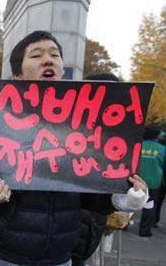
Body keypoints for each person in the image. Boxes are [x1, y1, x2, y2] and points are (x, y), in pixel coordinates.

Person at [0, 30, 149, 266]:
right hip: (6, 255)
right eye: (36, 55)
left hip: (62, 257)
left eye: (54, 55)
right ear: (18, 74)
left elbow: (88, 195)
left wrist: (124, 196)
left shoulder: (83, 131)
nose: (48, 60)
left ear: (61, 69)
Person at [71, 73, 120, 266]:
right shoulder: (66, 132)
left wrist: (127, 198)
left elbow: (107, 198)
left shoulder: (121, 142)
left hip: (89, 235)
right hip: (62, 237)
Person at [138, 124, 165, 237]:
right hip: (153, 183)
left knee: (129, 203)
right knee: (149, 205)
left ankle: (123, 225)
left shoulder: (138, 146)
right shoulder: (162, 150)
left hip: (136, 180)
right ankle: (144, 230)